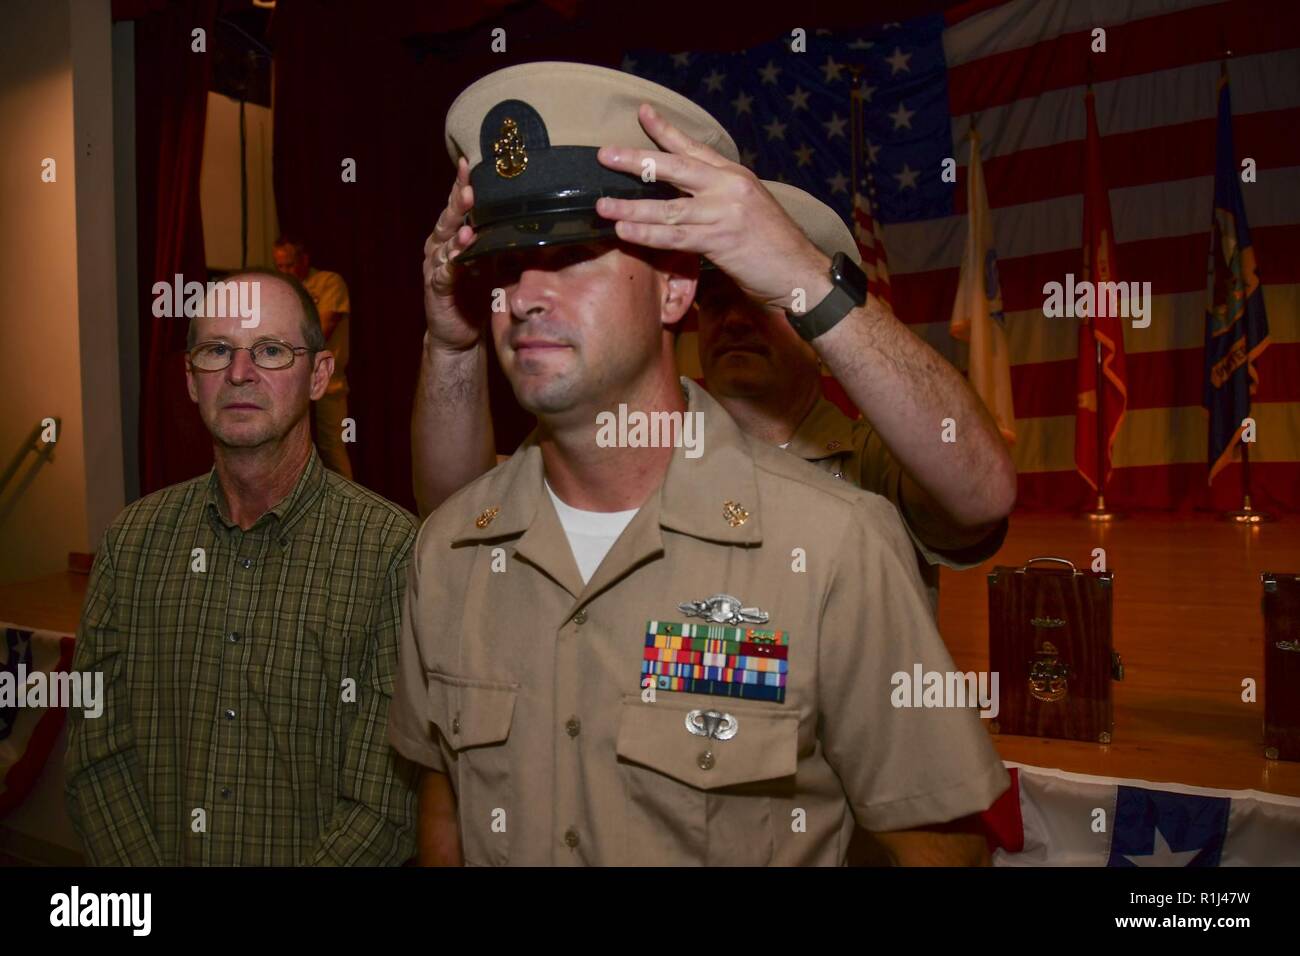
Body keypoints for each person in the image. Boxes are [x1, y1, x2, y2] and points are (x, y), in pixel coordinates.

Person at [390, 61, 1008, 866]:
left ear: (671, 292)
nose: (526, 295)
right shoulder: (451, 554)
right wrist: (449, 339)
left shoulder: (838, 540)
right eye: (503, 267)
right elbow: (445, 807)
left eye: (573, 255)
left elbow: (938, 839)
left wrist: (801, 278)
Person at [65, 269, 418, 865]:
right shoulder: (132, 544)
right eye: (216, 351)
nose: (238, 373)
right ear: (190, 379)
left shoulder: (388, 551)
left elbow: (385, 803)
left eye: (272, 351)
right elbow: (96, 756)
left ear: (319, 376)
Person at [274, 237, 354, 478]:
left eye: (289, 265)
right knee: (291, 456)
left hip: (328, 385)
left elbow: (319, 331)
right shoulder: (280, 290)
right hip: (290, 386)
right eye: (279, 266)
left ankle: (347, 512)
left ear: (304, 259)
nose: (284, 271)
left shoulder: (329, 282)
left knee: (333, 453)